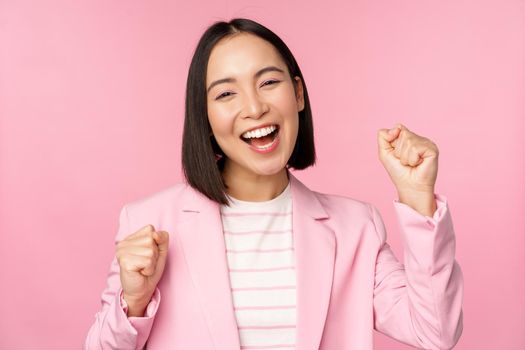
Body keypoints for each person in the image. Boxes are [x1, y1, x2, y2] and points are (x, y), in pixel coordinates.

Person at [83, 18, 463, 350]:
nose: (254, 107)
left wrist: (417, 199)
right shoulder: (150, 221)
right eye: (226, 93)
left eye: (268, 82)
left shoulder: (356, 228)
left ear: (297, 94)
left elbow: (436, 332)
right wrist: (132, 302)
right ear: (205, 115)